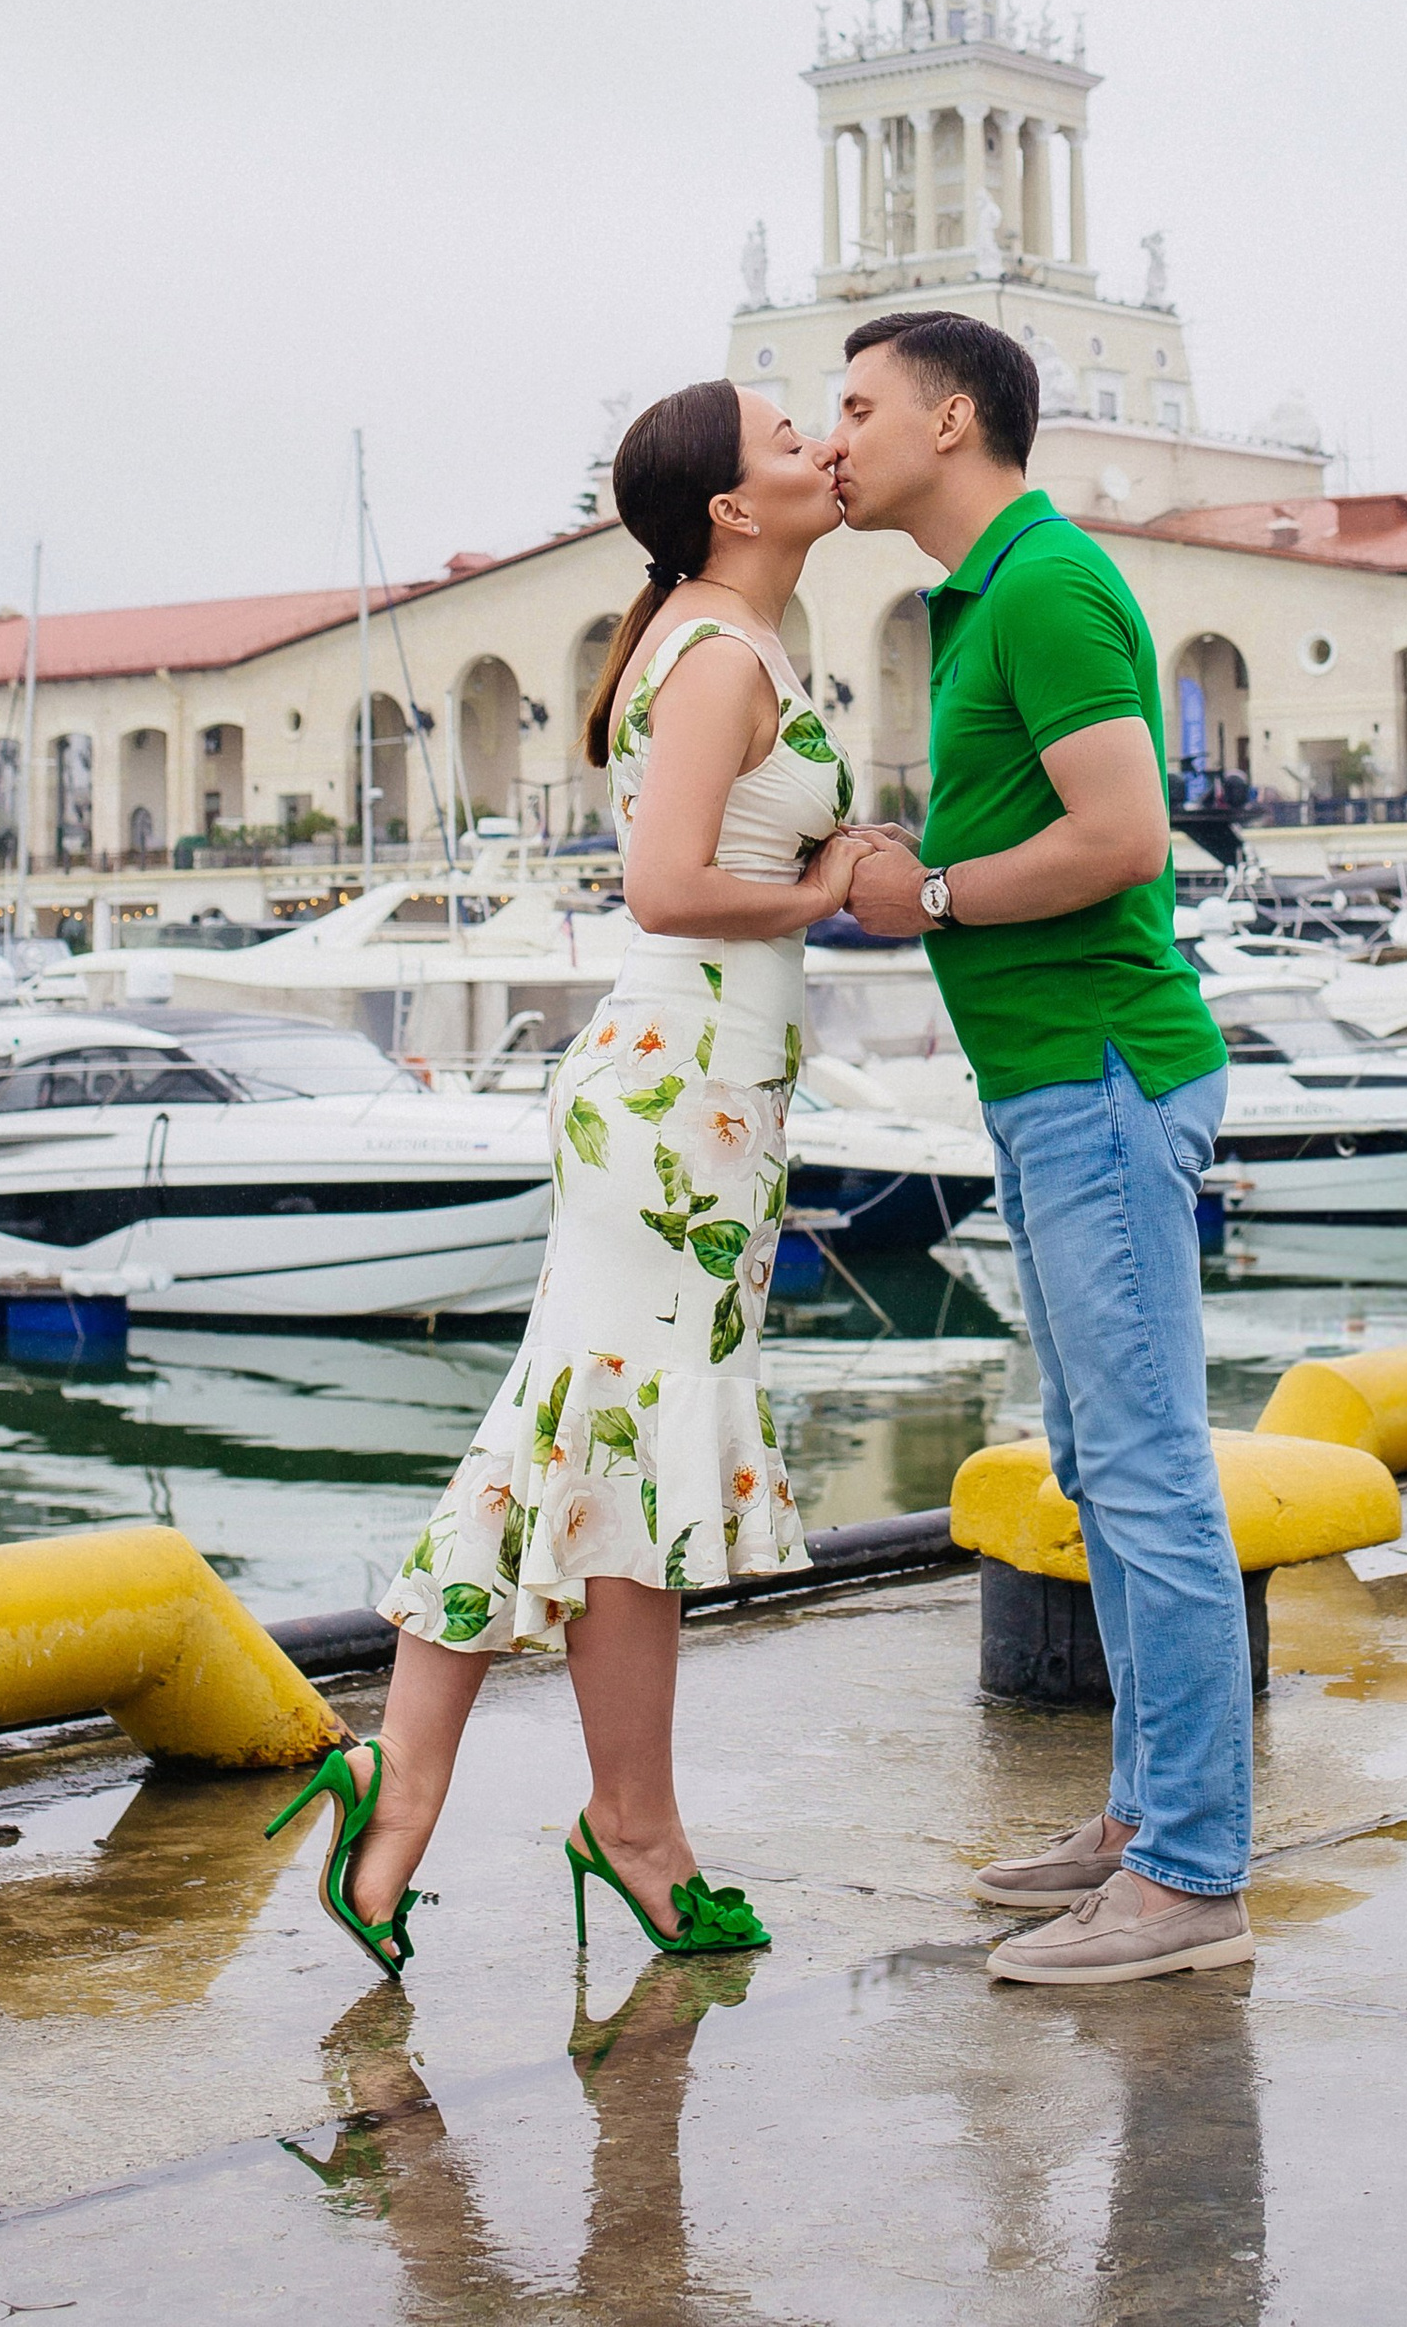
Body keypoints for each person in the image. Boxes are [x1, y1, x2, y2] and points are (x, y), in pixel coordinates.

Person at [266, 377, 870, 1974]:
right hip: (683, 1096)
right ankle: (632, 1826)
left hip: (699, 1093)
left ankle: (411, 1777)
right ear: (734, 508)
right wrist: (832, 888)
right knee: (630, 1450)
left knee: (574, 1433)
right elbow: (666, 885)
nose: (824, 448)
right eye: (792, 439)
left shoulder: (711, 632)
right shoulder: (722, 652)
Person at [829, 310, 1253, 1987]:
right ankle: (1149, 1822)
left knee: (1149, 1479)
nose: (833, 438)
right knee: (1099, 1469)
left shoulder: (1051, 585)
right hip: (1045, 1086)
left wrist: (919, 893)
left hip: (1100, 1074)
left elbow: (1122, 837)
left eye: (855, 409)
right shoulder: (979, 602)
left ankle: (1195, 1882)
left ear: (951, 420)